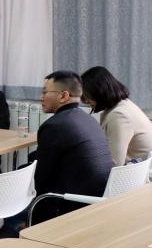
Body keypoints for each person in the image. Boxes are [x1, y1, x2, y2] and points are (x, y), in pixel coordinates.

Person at [31, 71, 114, 221]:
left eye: (45, 92)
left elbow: (41, 179)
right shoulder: (88, 119)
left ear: (64, 96)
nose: (41, 97)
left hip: (71, 206)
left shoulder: (54, 126)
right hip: (98, 199)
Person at [81, 66, 152, 166]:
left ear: (100, 93)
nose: (87, 101)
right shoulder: (124, 104)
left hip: (140, 173)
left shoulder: (119, 115)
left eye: (87, 96)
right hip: (138, 169)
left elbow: (115, 163)